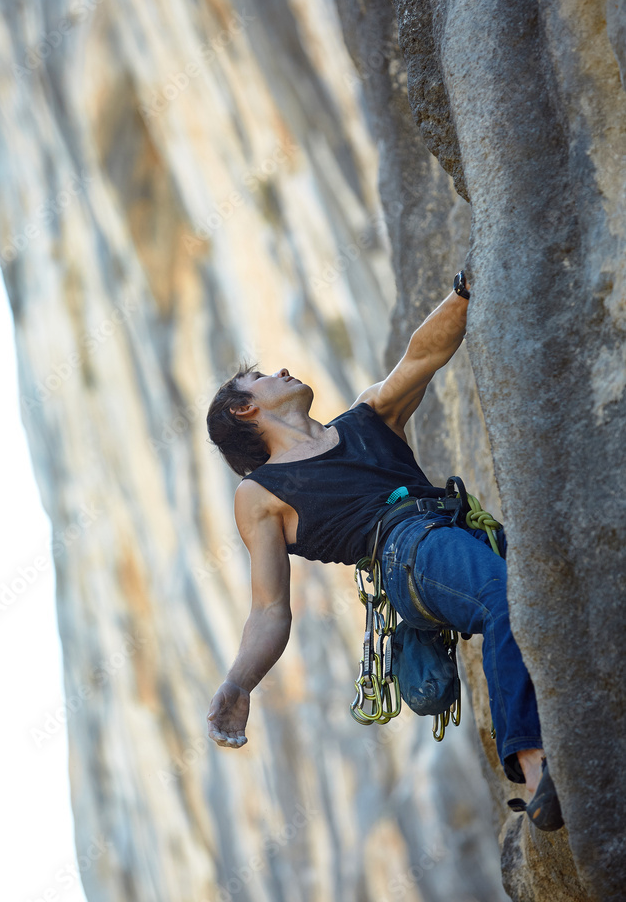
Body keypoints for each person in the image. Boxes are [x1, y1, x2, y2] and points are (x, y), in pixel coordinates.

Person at [205, 273, 563, 832]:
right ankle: (535, 767)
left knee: (558, 583)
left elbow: (423, 356)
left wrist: (467, 287)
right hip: (403, 550)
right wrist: (238, 682)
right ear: (244, 411)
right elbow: (270, 609)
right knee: (501, 595)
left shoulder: (367, 418)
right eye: (260, 377)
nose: (278, 371)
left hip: (456, 530)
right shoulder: (261, 494)